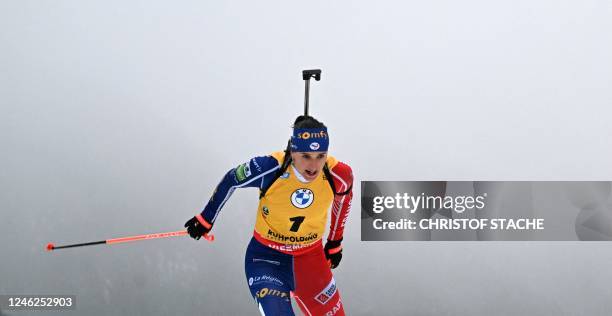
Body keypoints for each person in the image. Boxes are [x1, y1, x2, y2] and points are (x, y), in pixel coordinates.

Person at [185, 115, 354, 315]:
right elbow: (232, 179)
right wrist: (206, 219)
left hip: (311, 261)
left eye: (320, 156)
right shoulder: (270, 167)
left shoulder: (339, 174)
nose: (314, 166)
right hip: (266, 259)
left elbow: (343, 202)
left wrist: (335, 242)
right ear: (293, 150)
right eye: (306, 156)